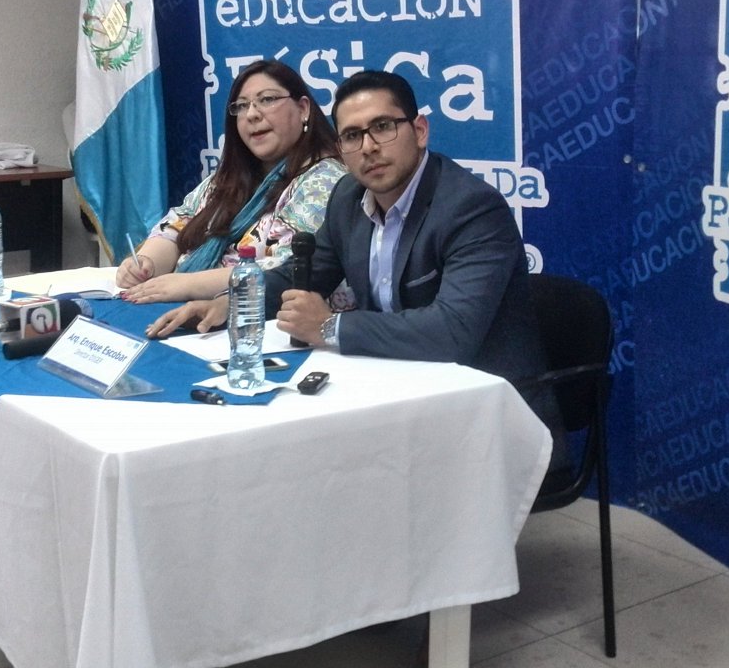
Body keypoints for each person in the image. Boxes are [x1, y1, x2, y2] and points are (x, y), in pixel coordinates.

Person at [148, 69, 567, 471]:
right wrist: (235, 302)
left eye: (383, 127)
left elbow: (453, 333)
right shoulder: (348, 197)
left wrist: (330, 327)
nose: (368, 147)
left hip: (484, 413)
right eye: (352, 136)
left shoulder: (470, 209)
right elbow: (305, 273)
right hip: (395, 390)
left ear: (420, 131)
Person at [116, 59, 346, 303]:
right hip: (190, 306)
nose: (252, 114)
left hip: (264, 316)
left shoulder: (326, 181)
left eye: (267, 100)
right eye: (242, 106)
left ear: (303, 109)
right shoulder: (228, 179)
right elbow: (176, 227)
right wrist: (147, 264)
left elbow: (291, 269)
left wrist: (188, 285)